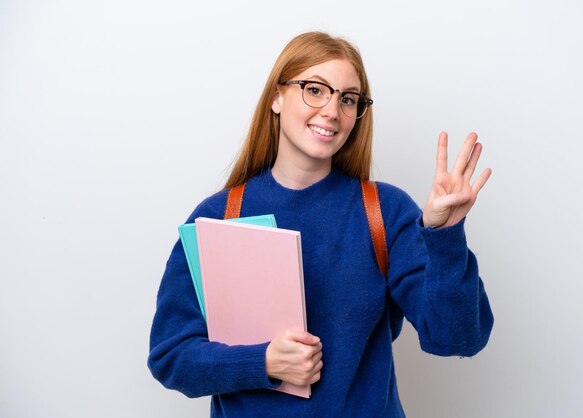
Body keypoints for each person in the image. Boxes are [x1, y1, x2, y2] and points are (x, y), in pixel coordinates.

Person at [148, 31, 494, 417]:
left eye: (348, 99)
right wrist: (263, 363)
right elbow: (171, 356)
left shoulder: (385, 211)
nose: (332, 110)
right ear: (277, 98)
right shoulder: (217, 216)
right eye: (315, 89)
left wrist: (445, 237)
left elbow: (458, 338)